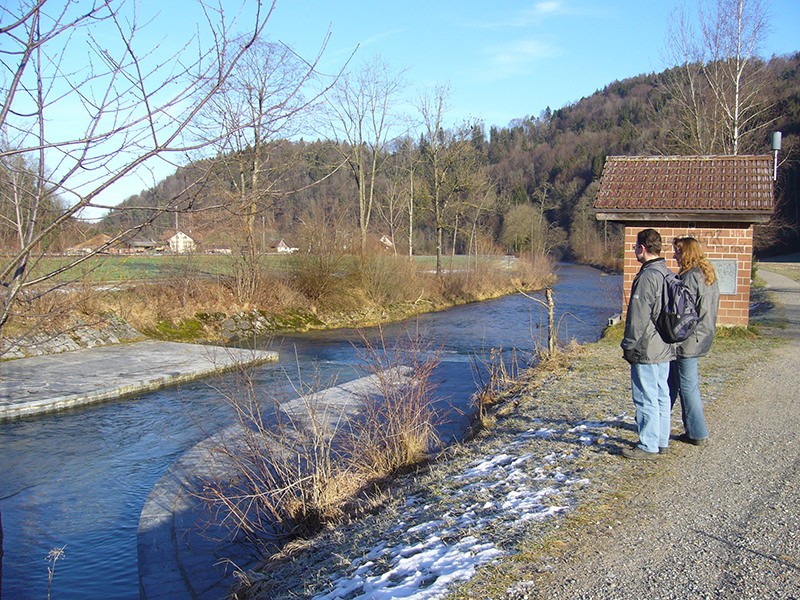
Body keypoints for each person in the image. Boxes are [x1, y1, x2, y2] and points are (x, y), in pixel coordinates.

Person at [620, 228, 675, 460]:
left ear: (642, 248)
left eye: (635, 246)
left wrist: (629, 345)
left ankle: (648, 445)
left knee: (645, 396)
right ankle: (661, 440)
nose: (634, 250)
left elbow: (638, 316)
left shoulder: (647, 276)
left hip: (647, 346)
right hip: (665, 344)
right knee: (662, 393)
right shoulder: (668, 273)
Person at [668, 236, 720, 446]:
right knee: (675, 382)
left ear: (685, 253)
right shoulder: (708, 275)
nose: (674, 256)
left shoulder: (690, 277)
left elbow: (683, 314)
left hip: (689, 340)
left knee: (687, 386)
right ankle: (658, 422)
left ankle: (697, 432)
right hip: (703, 336)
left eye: (677, 252)